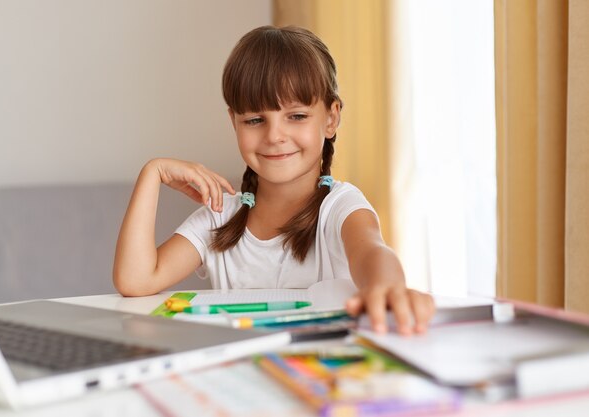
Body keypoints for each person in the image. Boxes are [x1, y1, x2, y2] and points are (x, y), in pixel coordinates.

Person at [113, 25, 435, 335]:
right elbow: (136, 281)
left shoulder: (340, 206)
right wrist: (152, 173)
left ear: (331, 118)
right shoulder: (220, 216)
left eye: (296, 116)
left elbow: (371, 251)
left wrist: (388, 288)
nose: (275, 136)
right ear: (234, 123)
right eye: (255, 120)